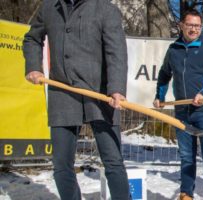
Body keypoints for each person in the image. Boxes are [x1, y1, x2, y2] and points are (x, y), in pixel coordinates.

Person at [23, 0, 130, 199]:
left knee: (113, 161)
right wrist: (33, 66)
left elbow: (117, 52)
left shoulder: (106, 9)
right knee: (61, 164)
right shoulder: (49, 8)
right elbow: (32, 39)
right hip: (62, 93)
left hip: (100, 94)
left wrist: (116, 88)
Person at [153, 9, 203, 200]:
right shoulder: (173, 49)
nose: (194, 29)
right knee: (186, 154)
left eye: (197, 25)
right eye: (190, 25)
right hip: (182, 110)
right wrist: (159, 96)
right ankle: (186, 192)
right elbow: (164, 74)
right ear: (181, 25)